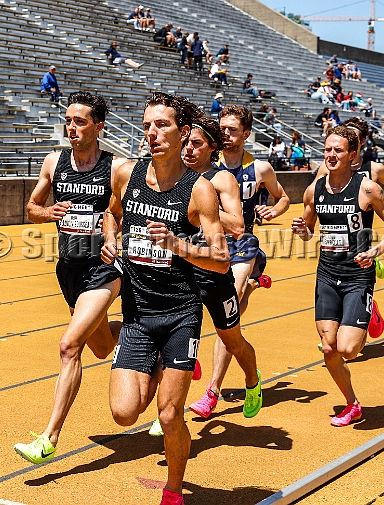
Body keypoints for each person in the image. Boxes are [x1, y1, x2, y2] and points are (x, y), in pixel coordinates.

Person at [101, 92, 230, 505]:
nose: (152, 134)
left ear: (184, 132)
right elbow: (112, 213)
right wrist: (109, 241)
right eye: (147, 126)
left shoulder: (200, 191)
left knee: (170, 416)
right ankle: (155, 363)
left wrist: (178, 245)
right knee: (124, 413)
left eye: (162, 126)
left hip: (180, 313)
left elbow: (222, 261)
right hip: (137, 313)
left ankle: (173, 489)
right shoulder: (126, 174)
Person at [13, 92, 127, 465]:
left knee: (68, 346)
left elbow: (119, 213)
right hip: (69, 269)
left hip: (103, 269)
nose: (72, 127)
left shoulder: (116, 168)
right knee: (101, 347)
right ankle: (148, 332)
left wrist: (111, 237)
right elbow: (30, 209)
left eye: (80, 121)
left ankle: (48, 437)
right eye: (68, 120)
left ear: (99, 126)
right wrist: (49, 212)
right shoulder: (54, 161)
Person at [148, 113, 263, 436]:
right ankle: (168, 411)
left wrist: (203, 202)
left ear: (212, 148)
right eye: (185, 142)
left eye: (196, 144)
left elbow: (239, 226)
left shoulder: (222, 179)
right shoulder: (172, 175)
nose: (187, 149)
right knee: (171, 338)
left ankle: (252, 380)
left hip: (214, 269)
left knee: (232, 339)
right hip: (180, 269)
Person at [292, 125, 384, 427]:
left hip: (358, 275)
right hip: (327, 275)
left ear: (352, 155)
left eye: (338, 150)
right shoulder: (313, 190)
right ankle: (352, 403)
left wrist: (375, 251)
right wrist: (303, 230)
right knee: (329, 347)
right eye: (327, 149)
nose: (331, 155)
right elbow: (308, 232)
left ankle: (368, 311)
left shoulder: (367, 188)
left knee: (347, 349)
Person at [189, 105, 290, 418]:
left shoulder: (260, 169)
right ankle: (247, 377)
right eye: (223, 128)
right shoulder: (205, 162)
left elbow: (282, 196)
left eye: (233, 129)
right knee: (227, 328)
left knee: (225, 305)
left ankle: (212, 392)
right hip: (206, 245)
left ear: (247, 133)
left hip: (243, 244)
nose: (227, 134)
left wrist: (275, 210)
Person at [315, 116, 384, 334]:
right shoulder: (328, 168)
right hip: (336, 237)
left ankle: (360, 313)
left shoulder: (373, 169)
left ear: (361, 142)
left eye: (354, 136)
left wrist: (383, 209)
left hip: (364, 230)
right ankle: (353, 316)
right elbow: (316, 197)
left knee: (360, 265)